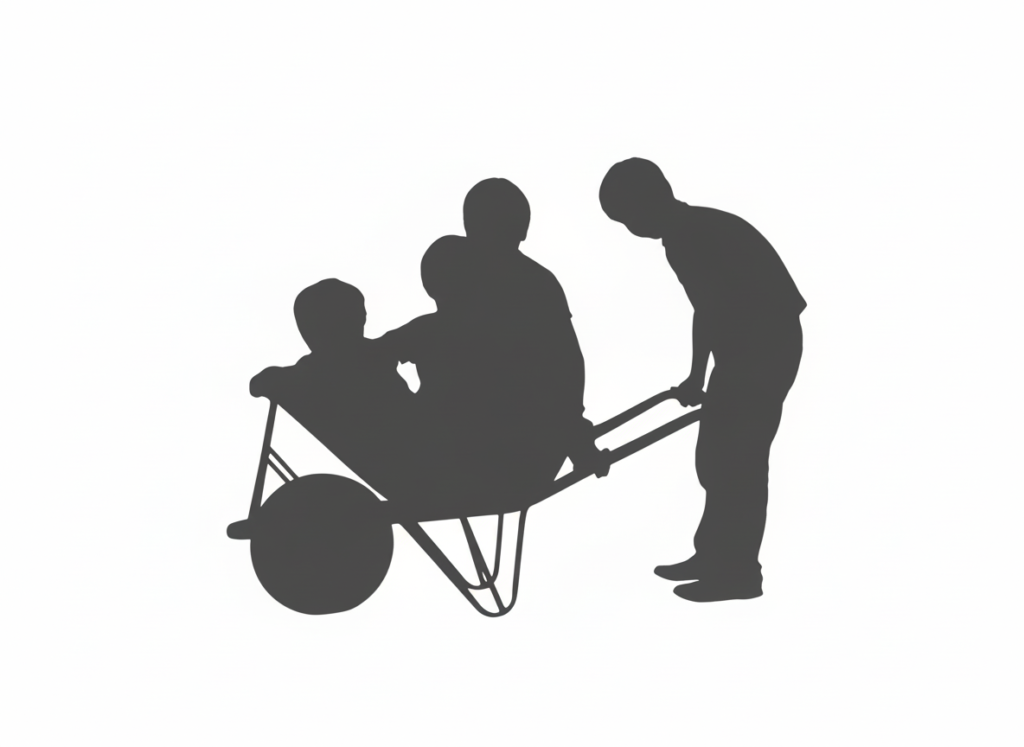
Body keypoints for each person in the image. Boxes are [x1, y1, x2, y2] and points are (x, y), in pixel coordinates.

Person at [599, 158, 806, 602]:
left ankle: (738, 573)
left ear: (646, 203)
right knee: (717, 458)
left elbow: (709, 308)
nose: (631, 230)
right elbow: (713, 308)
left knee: (738, 462)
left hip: (762, 348)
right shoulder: (696, 226)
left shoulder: (687, 237)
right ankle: (714, 555)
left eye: (627, 218)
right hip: (757, 345)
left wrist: (697, 376)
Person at [249, 278, 455, 509]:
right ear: (359, 318)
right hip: (431, 459)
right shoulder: (370, 356)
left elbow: (260, 384)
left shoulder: (304, 375)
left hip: (419, 461)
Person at [460, 178, 610, 491]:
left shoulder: (530, 284)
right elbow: (568, 364)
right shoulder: (474, 277)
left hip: (510, 441)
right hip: (506, 437)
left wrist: (576, 434)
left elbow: (564, 365)